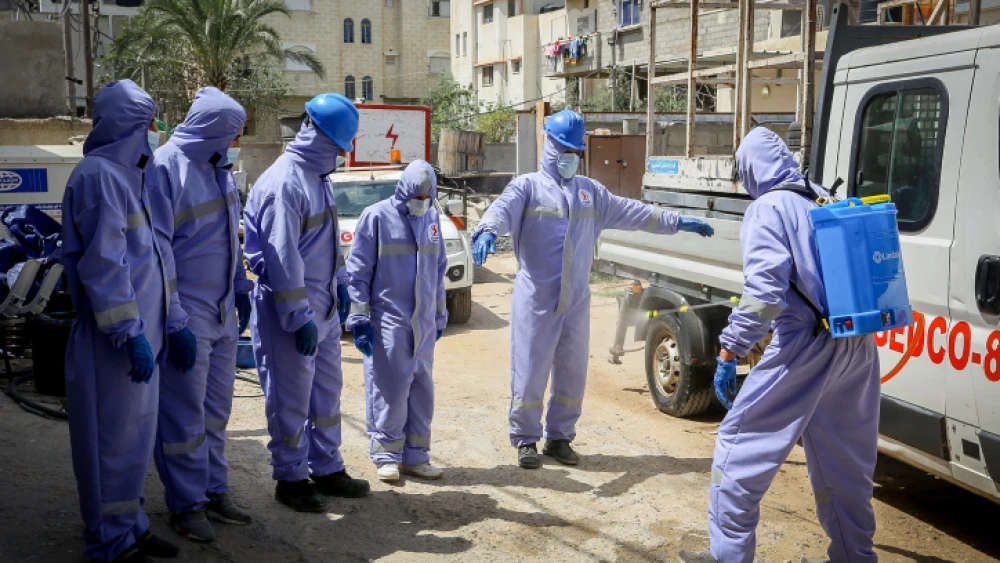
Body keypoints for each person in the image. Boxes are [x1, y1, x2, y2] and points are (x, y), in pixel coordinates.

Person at [470, 110, 715, 469]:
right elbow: (501, 209)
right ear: (550, 147)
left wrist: (676, 221)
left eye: (576, 151)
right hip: (536, 298)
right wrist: (487, 230)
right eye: (565, 149)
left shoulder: (590, 193)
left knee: (572, 372)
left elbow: (634, 213)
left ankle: (560, 438)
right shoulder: (528, 188)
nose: (571, 157)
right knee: (530, 370)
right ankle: (525, 439)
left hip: (576, 299)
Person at [684, 128, 880, 563]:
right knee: (843, 463)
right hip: (857, 343)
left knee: (737, 449)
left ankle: (728, 556)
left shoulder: (768, 207)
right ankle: (855, 557)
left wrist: (731, 349)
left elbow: (764, 294)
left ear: (751, 170)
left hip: (805, 346)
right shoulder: (823, 196)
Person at [61, 79, 180, 562]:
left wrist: (172, 322)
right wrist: (129, 333)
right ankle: (109, 542)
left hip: (139, 336)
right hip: (111, 341)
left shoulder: (132, 177)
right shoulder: (99, 176)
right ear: (133, 124)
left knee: (133, 441)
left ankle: (132, 527)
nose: (155, 130)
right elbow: (104, 265)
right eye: (150, 122)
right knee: (108, 445)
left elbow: (154, 257)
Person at [243, 93, 366, 513]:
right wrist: (299, 317)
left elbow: (325, 243)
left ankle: (327, 467)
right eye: (339, 146)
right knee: (291, 398)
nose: (342, 155)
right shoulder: (285, 183)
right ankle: (291, 478)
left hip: (323, 305)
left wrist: (341, 284)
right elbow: (281, 259)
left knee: (326, 396)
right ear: (319, 137)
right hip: (290, 310)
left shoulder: (317, 178)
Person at [148, 87, 253, 542]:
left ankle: (213, 488)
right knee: (184, 417)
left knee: (215, 412)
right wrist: (174, 320)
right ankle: (186, 504)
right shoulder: (165, 167)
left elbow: (229, 232)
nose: (237, 143)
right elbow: (158, 252)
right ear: (214, 131)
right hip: (187, 313)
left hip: (221, 311)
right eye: (234, 134)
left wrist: (240, 284)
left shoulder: (217, 167)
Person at [345, 160, 448, 482]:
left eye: (427, 196)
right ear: (403, 191)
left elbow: (438, 270)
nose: (421, 202)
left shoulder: (431, 218)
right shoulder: (376, 217)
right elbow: (358, 272)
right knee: (390, 388)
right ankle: (387, 455)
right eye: (417, 196)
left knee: (421, 390)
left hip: (423, 322)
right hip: (388, 319)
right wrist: (360, 316)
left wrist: (439, 315)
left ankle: (416, 456)